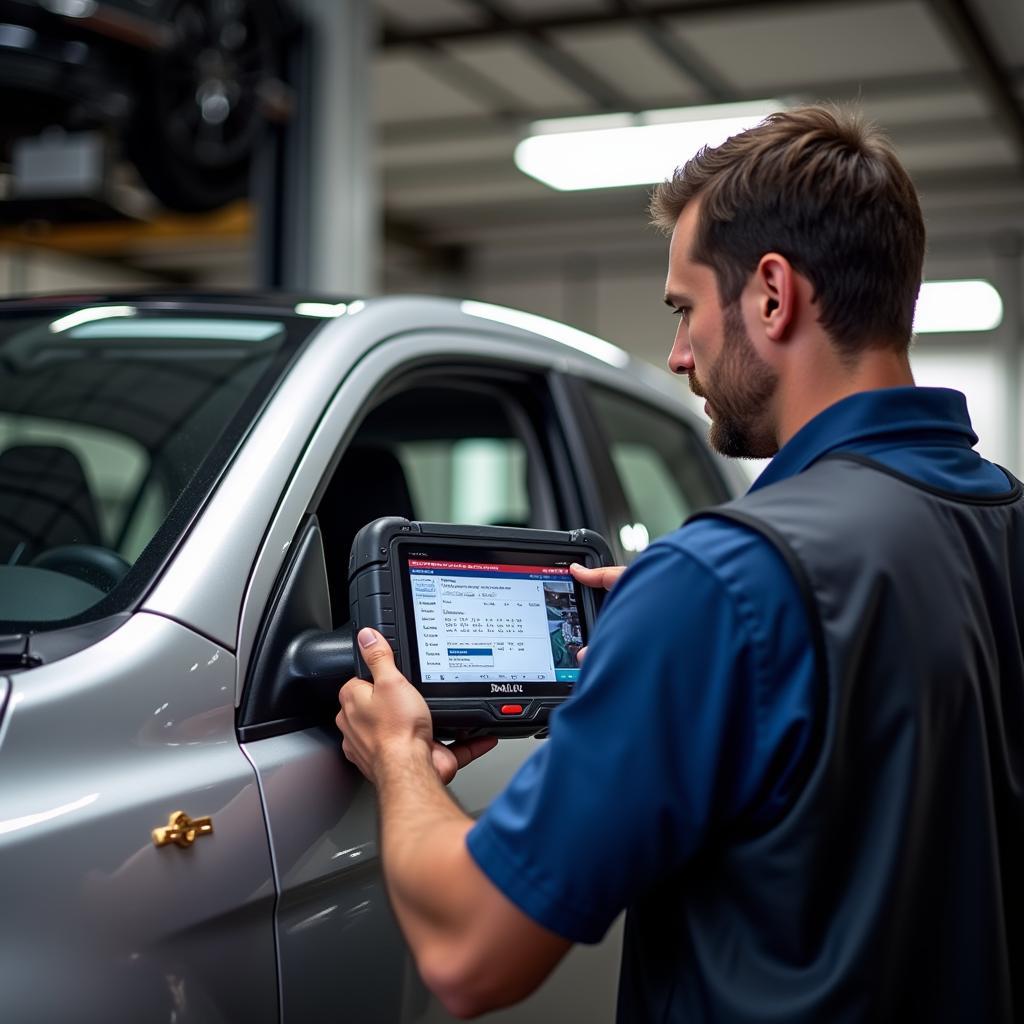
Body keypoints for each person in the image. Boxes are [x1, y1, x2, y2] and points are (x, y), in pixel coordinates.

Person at [336, 105, 1024, 1022]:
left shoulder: (723, 583)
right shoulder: (1002, 514)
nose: (678, 354)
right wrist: (706, 623)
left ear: (772, 295)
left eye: (684, 309)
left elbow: (470, 951)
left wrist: (398, 755)